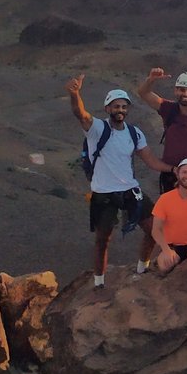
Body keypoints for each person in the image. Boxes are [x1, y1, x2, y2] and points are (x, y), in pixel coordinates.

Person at [64, 75, 170, 287]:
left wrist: (176, 169)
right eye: (116, 106)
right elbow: (81, 114)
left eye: (123, 106)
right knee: (103, 240)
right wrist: (75, 94)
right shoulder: (97, 129)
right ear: (107, 109)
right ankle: (99, 282)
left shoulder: (134, 133)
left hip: (129, 189)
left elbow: (150, 160)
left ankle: (142, 268)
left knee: (154, 230)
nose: (120, 110)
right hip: (103, 192)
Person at [134, 69, 187, 273]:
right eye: (181, 89)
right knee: (170, 215)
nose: (185, 94)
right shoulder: (169, 109)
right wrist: (151, 79)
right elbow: (143, 93)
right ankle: (170, 253)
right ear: (175, 90)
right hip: (171, 172)